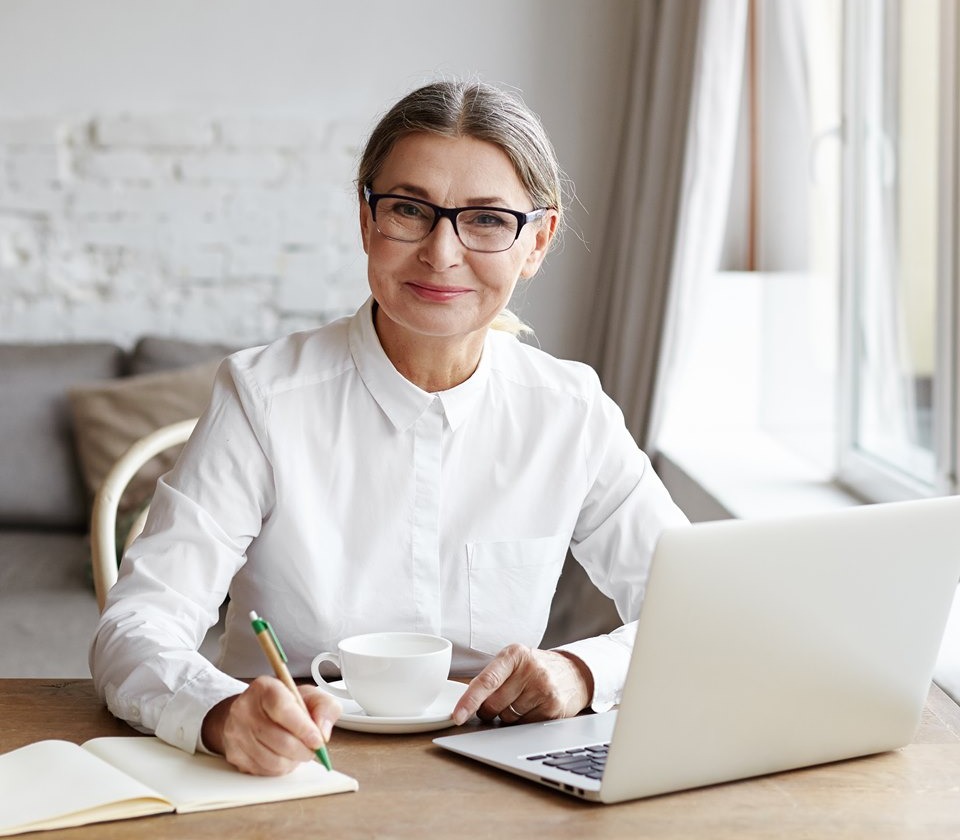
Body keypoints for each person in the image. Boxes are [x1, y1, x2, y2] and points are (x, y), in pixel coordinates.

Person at [90, 79, 689, 777]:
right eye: (409, 209)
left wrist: (582, 674)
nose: (441, 253)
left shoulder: (570, 410)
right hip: (292, 773)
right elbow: (136, 626)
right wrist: (221, 714)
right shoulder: (262, 398)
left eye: (488, 220)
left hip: (494, 780)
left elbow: (698, 608)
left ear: (538, 241)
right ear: (367, 220)